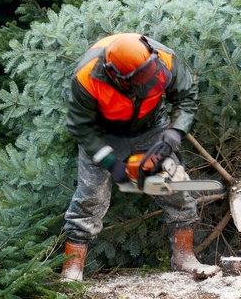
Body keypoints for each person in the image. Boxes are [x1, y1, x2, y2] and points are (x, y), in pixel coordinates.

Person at [61, 33, 220, 281]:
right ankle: (72, 268)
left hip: (151, 127)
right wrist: (111, 162)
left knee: (176, 185)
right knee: (91, 196)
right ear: (115, 75)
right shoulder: (87, 76)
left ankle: (184, 257)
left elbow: (186, 95)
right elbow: (81, 126)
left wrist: (174, 132)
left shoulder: (164, 58)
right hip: (102, 133)